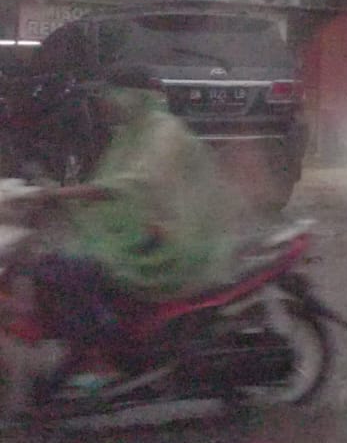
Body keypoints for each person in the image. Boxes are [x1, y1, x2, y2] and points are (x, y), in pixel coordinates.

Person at [10, 65, 239, 393]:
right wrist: (58, 195)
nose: (104, 103)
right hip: (145, 233)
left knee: (70, 271)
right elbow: (110, 189)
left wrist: (63, 194)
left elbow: (133, 184)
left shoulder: (162, 132)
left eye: (110, 95)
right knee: (50, 266)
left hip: (172, 244)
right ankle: (85, 349)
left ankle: (100, 358)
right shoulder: (132, 132)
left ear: (134, 97)